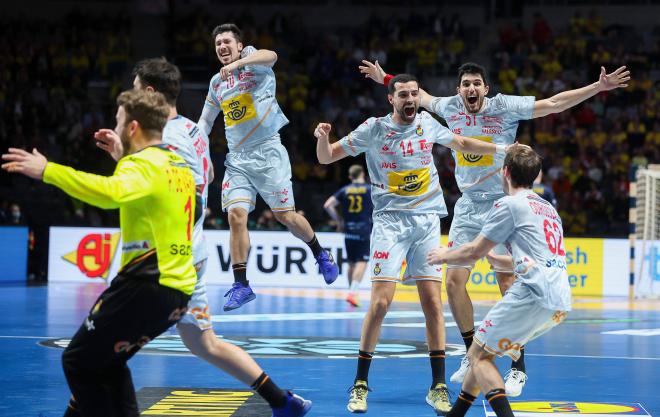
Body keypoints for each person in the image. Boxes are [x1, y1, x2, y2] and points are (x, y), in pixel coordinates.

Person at [360, 60, 629, 395]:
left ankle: (518, 366)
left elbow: (553, 104)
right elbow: (418, 95)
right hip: (469, 205)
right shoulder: (449, 107)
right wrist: (382, 77)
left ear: (485, 88)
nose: (471, 89)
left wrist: (597, 88)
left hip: (505, 203)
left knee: (507, 281)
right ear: (459, 90)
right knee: (454, 282)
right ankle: (472, 353)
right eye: (465, 85)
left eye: (476, 84)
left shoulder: (505, 106)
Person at [93, 58, 311, 417]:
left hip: (163, 262)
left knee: (100, 350)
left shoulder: (164, 137)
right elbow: (205, 178)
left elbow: (166, 187)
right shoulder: (194, 132)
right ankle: (282, 401)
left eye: (134, 89)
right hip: (190, 254)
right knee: (203, 343)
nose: (130, 96)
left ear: (148, 93)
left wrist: (124, 157)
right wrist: (125, 154)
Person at [315, 74, 511, 415]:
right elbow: (327, 157)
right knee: (380, 304)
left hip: (425, 221)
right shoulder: (373, 129)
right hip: (390, 223)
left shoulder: (426, 123)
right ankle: (360, 384)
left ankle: (437, 387)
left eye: (414, 93)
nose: (410, 98)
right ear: (391, 99)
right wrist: (323, 138)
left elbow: (462, 143)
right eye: (403, 93)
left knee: (433, 305)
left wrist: (501, 149)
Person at [3, 89, 195, 416]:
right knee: (107, 363)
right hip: (176, 291)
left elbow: (110, 194)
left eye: (119, 120)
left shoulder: (142, 165)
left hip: (144, 285)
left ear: (132, 127)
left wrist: (48, 170)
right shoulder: (176, 163)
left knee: (77, 360)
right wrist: (123, 157)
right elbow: (151, 192)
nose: (116, 124)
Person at [198, 23, 338, 311]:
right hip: (237, 159)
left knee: (285, 216)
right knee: (236, 216)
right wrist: (202, 152)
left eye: (227, 42)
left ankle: (320, 252)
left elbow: (271, 55)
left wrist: (241, 63)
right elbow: (205, 122)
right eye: (218, 44)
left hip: (269, 153)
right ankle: (241, 284)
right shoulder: (216, 83)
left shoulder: (255, 63)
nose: (222, 47)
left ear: (239, 46)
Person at [426, 144, 571, 417]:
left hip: (531, 294)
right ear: (536, 177)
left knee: (477, 357)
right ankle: (457, 414)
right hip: (559, 299)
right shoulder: (548, 208)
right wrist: (497, 260)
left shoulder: (509, 204)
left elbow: (473, 250)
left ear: (504, 172)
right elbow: (530, 260)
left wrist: (445, 255)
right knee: (483, 353)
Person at [324, 164, 373, 307]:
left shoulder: (344, 190)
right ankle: (352, 293)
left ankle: (352, 292)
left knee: (351, 263)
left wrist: (339, 220)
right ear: (362, 174)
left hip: (348, 229)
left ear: (350, 177)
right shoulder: (369, 189)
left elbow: (328, 205)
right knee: (362, 261)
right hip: (363, 229)